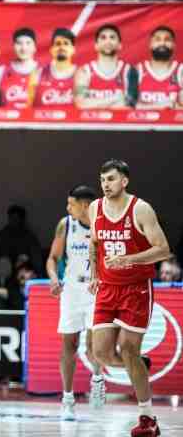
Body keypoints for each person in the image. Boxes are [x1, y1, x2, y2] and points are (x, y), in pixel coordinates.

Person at [89, 159, 171, 437]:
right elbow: (95, 243)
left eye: (110, 179)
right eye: (102, 180)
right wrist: (94, 273)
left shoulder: (141, 209)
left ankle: (148, 418)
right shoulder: (94, 208)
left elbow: (163, 250)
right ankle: (138, 364)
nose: (105, 185)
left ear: (124, 181)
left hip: (136, 288)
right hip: (107, 289)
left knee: (127, 347)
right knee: (99, 352)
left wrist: (128, 260)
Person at [46, 185, 105, 420]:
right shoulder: (65, 224)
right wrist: (53, 279)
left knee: (94, 346)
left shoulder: (103, 224)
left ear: (83, 205)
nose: (67, 208)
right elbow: (52, 258)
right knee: (68, 346)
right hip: (71, 289)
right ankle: (68, 398)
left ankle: (98, 378)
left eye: (70, 204)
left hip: (96, 289)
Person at [75, 24, 135, 109]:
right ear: (96, 45)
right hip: (92, 121)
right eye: (103, 38)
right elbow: (81, 104)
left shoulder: (129, 71)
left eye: (112, 37)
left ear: (120, 45)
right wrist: (116, 98)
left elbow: (130, 105)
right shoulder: (84, 71)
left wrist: (94, 103)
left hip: (119, 122)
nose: (108, 41)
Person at [135, 25, 183, 109]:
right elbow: (128, 106)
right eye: (158, 39)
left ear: (174, 45)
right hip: (143, 122)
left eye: (167, 40)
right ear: (150, 45)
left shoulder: (181, 71)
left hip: (172, 122)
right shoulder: (137, 70)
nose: (162, 43)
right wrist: (163, 106)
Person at [33, 28, 76, 107]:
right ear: (51, 50)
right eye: (58, 44)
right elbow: (29, 107)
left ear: (73, 49)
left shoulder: (82, 74)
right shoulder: (38, 74)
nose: (61, 47)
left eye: (66, 43)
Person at [0, 28, 39, 109]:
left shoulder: (43, 71)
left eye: (28, 43)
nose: (24, 48)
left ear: (35, 47)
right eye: (19, 43)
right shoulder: (0, 71)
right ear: (13, 46)